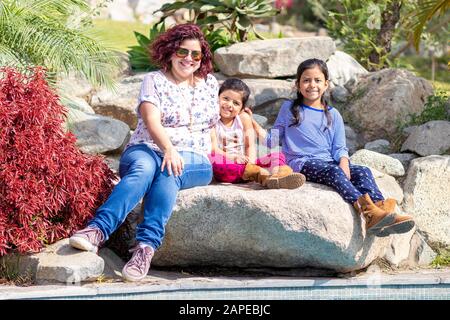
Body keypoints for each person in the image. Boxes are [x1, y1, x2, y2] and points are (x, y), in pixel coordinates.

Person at [69, 24, 220, 281]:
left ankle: (145, 248)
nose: (189, 59)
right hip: (146, 148)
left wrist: (219, 155)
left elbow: (211, 126)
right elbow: (152, 120)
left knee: (171, 171)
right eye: (183, 52)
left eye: (196, 54)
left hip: (194, 157)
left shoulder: (209, 84)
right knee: (144, 170)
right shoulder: (154, 81)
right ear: (171, 51)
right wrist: (169, 149)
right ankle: (97, 230)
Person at [248, 58, 414, 237]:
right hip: (302, 162)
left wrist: (344, 162)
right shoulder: (290, 108)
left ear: (326, 84)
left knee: (363, 171)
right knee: (334, 173)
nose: (312, 85)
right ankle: (369, 213)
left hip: (329, 162)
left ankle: (383, 213)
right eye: (306, 80)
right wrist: (253, 124)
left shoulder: (333, 114)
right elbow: (273, 140)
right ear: (298, 84)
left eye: (317, 80)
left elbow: (340, 146)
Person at [209, 78, 305, 189]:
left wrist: (251, 162)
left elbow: (250, 145)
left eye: (236, 103)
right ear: (217, 98)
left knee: (277, 155)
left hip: (248, 166)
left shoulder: (243, 118)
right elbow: (214, 149)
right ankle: (262, 176)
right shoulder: (212, 120)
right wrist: (233, 158)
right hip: (229, 167)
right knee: (215, 161)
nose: (229, 104)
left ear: (241, 108)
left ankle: (280, 175)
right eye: (225, 98)